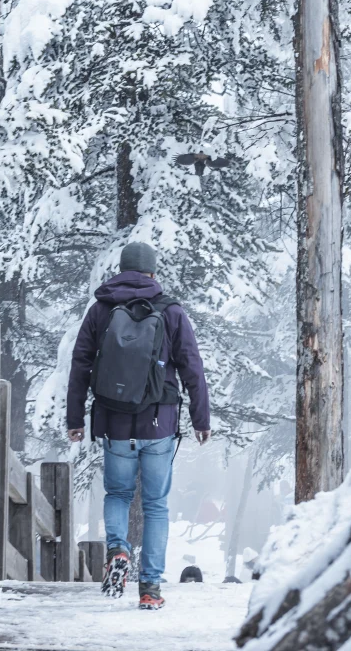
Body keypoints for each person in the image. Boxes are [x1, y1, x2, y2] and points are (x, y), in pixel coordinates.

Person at [66, 241, 210, 609]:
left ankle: (118, 549)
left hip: (114, 422)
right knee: (156, 504)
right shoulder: (171, 311)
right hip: (159, 422)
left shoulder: (101, 310)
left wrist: (75, 418)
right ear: (152, 272)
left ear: (121, 270)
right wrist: (201, 419)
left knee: (118, 494)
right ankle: (150, 589)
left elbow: (81, 364)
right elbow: (192, 367)